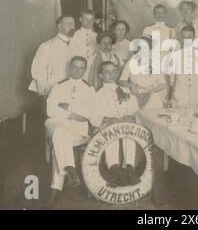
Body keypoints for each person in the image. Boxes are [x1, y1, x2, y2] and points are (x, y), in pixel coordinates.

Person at [45, 56, 95, 203]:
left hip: (76, 131)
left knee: (61, 139)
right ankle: (71, 171)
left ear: (85, 70)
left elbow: (89, 113)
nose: (77, 70)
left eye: (81, 67)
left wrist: (68, 107)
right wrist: (73, 114)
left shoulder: (89, 89)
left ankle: (57, 186)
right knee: (60, 132)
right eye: (74, 66)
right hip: (55, 123)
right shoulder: (59, 86)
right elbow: (50, 110)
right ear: (69, 67)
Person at [91, 61, 139, 186]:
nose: (111, 74)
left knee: (129, 135)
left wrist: (129, 116)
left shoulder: (125, 90)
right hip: (109, 126)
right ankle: (113, 170)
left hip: (126, 125)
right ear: (101, 75)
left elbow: (134, 109)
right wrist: (110, 120)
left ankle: (129, 169)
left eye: (113, 71)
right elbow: (95, 116)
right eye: (107, 72)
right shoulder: (98, 95)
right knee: (111, 134)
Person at [29, 15, 75, 96]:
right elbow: (38, 71)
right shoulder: (47, 46)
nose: (72, 27)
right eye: (69, 24)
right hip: (53, 91)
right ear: (60, 27)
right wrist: (46, 92)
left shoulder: (76, 46)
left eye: (73, 24)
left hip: (72, 92)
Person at [119, 36, 166, 110]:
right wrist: (131, 85)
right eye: (140, 48)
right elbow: (121, 81)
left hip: (153, 98)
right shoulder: (130, 63)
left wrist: (150, 91)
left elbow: (162, 84)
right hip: (135, 96)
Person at [169, 25, 198, 110]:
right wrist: (172, 99)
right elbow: (172, 81)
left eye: (189, 37)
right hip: (179, 99)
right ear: (180, 38)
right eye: (183, 37)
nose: (186, 40)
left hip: (197, 100)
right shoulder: (175, 56)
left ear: (194, 38)